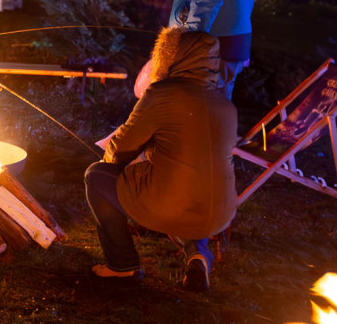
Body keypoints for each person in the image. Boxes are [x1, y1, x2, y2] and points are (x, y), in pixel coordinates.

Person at [83, 27, 238, 292]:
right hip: (219, 212)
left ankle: (122, 265)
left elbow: (122, 147)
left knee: (96, 177)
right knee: (191, 185)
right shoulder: (225, 104)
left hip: (172, 204)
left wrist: (113, 163)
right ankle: (198, 254)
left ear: (175, 56)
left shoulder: (162, 94)